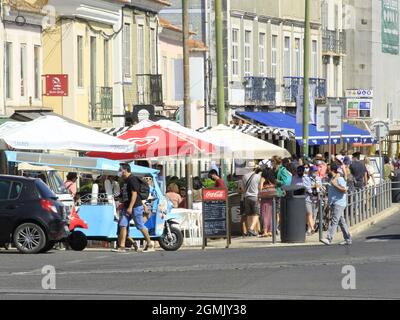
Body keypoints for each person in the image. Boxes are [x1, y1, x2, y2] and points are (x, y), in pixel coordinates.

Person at [113, 163, 154, 253]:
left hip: (135, 206)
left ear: (125, 170)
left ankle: (150, 244)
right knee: (123, 225)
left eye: (120, 169)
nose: (119, 171)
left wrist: (130, 207)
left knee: (139, 226)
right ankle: (122, 246)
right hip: (126, 206)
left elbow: (134, 194)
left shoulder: (132, 179)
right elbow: (126, 194)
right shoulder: (125, 180)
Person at [320, 163, 352, 246]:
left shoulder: (339, 179)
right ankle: (348, 238)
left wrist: (335, 185)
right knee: (341, 221)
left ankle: (329, 238)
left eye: (328, 169)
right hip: (334, 202)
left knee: (334, 220)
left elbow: (344, 190)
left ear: (332, 170)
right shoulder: (332, 178)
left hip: (339, 203)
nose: (327, 171)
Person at [242, 167, 262, 236]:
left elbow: (243, 188)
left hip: (247, 197)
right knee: (256, 214)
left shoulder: (244, 176)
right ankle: (251, 228)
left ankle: (250, 232)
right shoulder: (258, 176)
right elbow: (260, 187)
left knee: (249, 214)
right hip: (255, 196)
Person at [259, 167, 278, 237]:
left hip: (265, 199)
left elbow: (260, 189)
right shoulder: (273, 179)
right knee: (271, 215)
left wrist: (262, 182)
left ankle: (265, 231)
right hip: (272, 198)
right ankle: (270, 231)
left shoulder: (263, 179)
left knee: (264, 215)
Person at [303, 165, 322, 235]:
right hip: (308, 198)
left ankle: (309, 229)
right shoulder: (306, 178)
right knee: (309, 213)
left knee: (314, 214)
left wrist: (318, 186)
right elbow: (306, 187)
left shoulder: (318, 178)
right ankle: (312, 228)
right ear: (310, 171)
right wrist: (314, 186)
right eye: (314, 171)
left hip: (316, 198)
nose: (315, 172)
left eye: (316, 171)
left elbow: (320, 186)